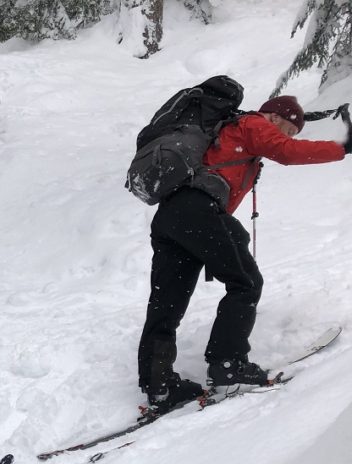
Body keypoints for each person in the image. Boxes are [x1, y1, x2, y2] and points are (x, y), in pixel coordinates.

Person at [137, 95, 349, 409]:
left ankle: (160, 387)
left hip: (171, 216)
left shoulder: (232, 131)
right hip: (198, 210)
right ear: (276, 117)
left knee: (166, 303)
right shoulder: (253, 123)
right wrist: (341, 149)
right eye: (288, 129)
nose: (286, 137)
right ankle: (228, 366)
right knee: (246, 283)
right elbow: (287, 153)